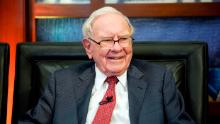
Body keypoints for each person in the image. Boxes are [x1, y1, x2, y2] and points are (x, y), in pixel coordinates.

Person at [19, 6, 195, 124]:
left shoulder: (159, 79)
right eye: (107, 40)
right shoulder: (62, 82)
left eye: (124, 39)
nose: (117, 48)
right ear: (88, 47)